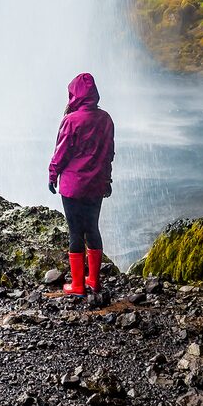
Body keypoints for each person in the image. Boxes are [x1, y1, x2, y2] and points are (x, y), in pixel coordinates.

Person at [46, 71, 115, 296]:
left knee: (75, 233)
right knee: (93, 229)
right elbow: (108, 154)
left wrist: (52, 174)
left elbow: (61, 153)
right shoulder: (105, 119)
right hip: (96, 185)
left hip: (73, 187)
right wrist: (107, 179)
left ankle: (77, 285)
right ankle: (93, 281)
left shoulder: (71, 120)